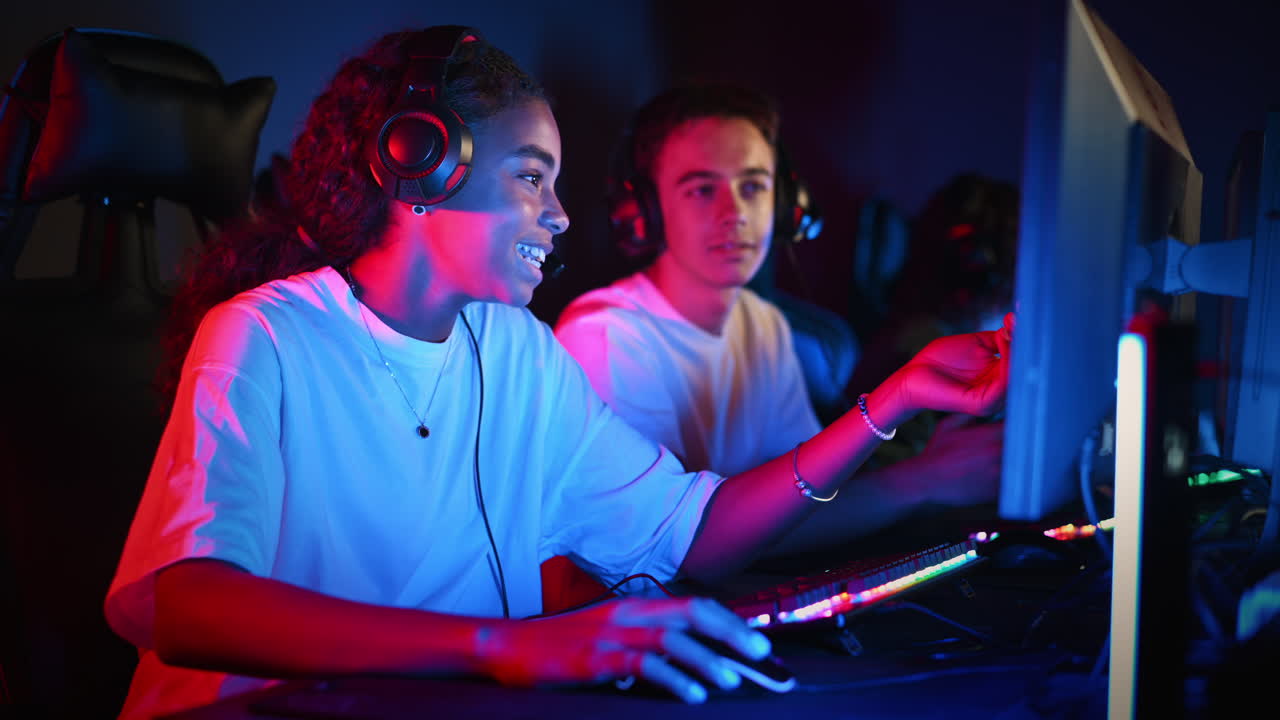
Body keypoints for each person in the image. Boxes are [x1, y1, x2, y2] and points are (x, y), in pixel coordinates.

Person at [104, 28, 1011, 719]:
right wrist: (509, 645)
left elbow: (692, 535)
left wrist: (898, 398)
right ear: (423, 163)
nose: (561, 216)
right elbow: (189, 604)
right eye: (532, 178)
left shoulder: (518, 351)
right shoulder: (263, 336)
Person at [553, 84, 1010, 560]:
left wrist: (934, 466)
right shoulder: (608, 336)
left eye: (753, 186)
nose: (735, 215)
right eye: (702, 189)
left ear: (787, 203)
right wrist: (921, 480)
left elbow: (802, 501)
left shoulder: (761, 322)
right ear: (645, 212)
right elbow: (686, 550)